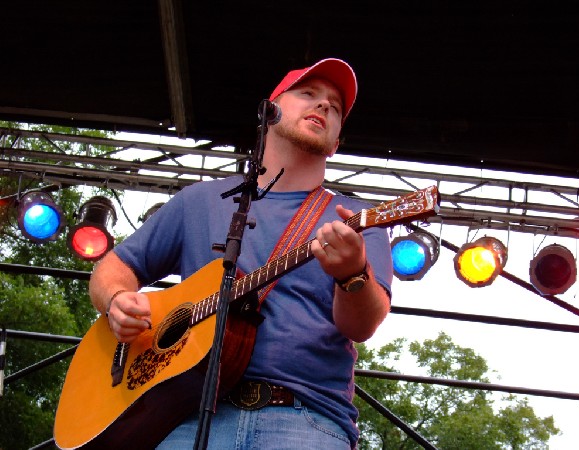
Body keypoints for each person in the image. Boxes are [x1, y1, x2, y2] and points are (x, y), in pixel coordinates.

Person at [89, 58, 393, 449]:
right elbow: (112, 268)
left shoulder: (355, 219)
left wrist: (352, 274)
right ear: (269, 109)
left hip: (304, 420)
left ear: (335, 143)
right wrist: (116, 300)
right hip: (182, 415)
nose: (324, 106)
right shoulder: (199, 200)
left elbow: (363, 326)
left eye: (334, 107)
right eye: (308, 93)